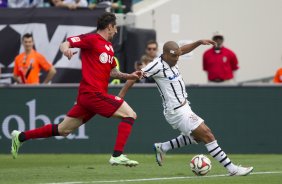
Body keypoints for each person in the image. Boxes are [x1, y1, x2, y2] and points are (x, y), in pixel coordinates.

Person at [11, 12, 142, 167]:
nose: (116, 31)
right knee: (130, 114)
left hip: (90, 97)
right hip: (93, 94)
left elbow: (112, 72)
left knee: (63, 129)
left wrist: (130, 76)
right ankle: (117, 155)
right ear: (109, 26)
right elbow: (65, 44)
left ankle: (20, 137)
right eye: (115, 27)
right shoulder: (92, 39)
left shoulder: (109, 47)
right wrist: (65, 50)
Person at [118, 40, 253, 176]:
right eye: (174, 56)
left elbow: (183, 49)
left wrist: (199, 42)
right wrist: (121, 96)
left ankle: (163, 147)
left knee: (197, 137)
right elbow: (134, 77)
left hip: (185, 107)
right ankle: (233, 169)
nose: (177, 58)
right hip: (176, 111)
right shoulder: (156, 65)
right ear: (165, 55)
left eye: (178, 56)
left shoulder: (173, 56)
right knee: (207, 134)